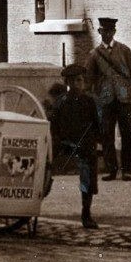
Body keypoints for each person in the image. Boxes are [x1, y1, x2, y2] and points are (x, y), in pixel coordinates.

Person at [45, 64, 102, 229]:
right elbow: (53, 126)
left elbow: (97, 126)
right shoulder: (61, 102)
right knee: (46, 167)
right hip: (65, 145)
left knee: (88, 171)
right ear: (69, 82)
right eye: (76, 81)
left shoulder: (89, 101)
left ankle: (86, 213)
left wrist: (94, 141)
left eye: (81, 80)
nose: (79, 84)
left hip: (84, 145)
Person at [89, 17, 131, 180]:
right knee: (106, 135)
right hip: (105, 100)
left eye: (110, 31)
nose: (107, 34)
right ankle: (111, 169)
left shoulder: (124, 50)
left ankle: (127, 169)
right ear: (99, 32)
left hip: (125, 98)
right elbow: (89, 78)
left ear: (114, 32)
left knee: (128, 134)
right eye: (103, 31)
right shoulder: (94, 55)